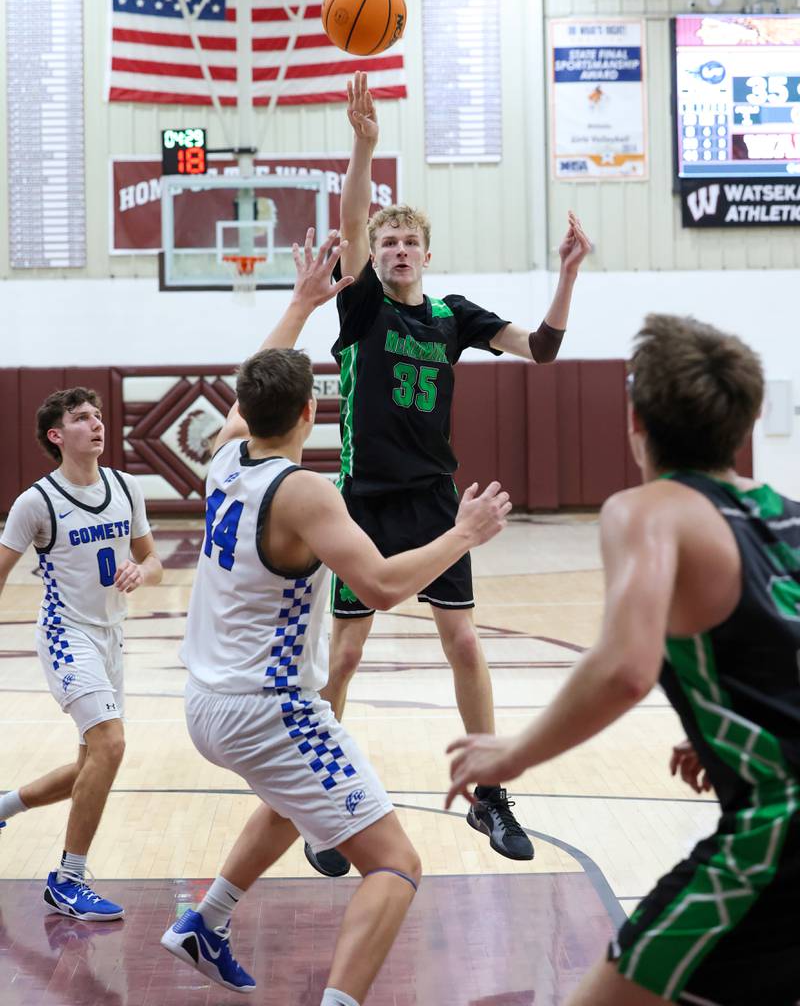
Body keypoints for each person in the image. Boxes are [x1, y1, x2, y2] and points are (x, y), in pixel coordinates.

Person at [160, 229, 510, 1005]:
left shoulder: (222, 458)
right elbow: (383, 587)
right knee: (395, 865)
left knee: (296, 802)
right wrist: (463, 533)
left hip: (202, 703)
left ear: (241, 410)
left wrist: (299, 303)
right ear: (313, 409)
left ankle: (204, 923)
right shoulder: (309, 492)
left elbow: (253, 385)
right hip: (269, 711)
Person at [446, 313, 800, 1006]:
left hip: (776, 835)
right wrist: (736, 732)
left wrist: (511, 755)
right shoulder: (789, 514)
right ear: (750, 417)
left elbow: (626, 668)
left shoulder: (648, 512)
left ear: (634, 420)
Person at [310, 71, 592, 877]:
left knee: (464, 642)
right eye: (386, 242)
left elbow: (540, 350)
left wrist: (568, 276)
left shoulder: (452, 316)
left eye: (408, 244)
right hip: (362, 502)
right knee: (346, 656)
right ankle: (323, 800)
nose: (396, 251)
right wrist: (364, 146)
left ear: (427, 255)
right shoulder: (362, 308)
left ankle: (490, 794)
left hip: (436, 500)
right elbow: (352, 220)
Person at [0, 386, 162, 920]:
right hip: (66, 635)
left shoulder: (125, 486)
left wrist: (143, 570)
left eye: (97, 416)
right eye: (81, 418)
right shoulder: (36, 501)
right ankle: (66, 880)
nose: (96, 424)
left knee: (91, 762)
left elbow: (152, 560)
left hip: (113, 635)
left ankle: (2, 808)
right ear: (56, 434)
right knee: (111, 746)